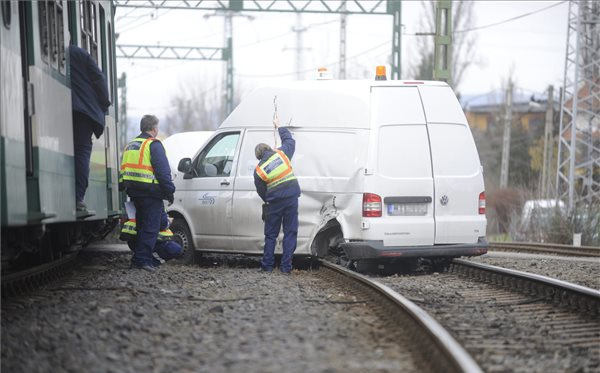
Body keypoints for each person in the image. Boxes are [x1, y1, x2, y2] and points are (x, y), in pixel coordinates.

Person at [119, 115, 175, 272]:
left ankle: (139, 258)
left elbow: (124, 169)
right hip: (151, 193)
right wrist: (170, 192)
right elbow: (163, 173)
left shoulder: (131, 145)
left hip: (133, 192)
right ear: (154, 129)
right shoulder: (154, 145)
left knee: (142, 226)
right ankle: (142, 261)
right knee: (150, 227)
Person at [253, 114, 301, 274]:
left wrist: (270, 199)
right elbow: (290, 141)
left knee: (271, 235)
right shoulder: (281, 153)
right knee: (290, 232)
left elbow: (261, 191)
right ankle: (286, 268)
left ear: (258, 157)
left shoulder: (259, 170)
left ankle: (267, 267)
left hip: (274, 202)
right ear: (269, 148)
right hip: (292, 198)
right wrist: (279, 126)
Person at [69, 44, 111, 211]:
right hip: (82, 111)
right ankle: (78, 197)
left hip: (59, 108)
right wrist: (104, 103)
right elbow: (98, 78)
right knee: (82, 150)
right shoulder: (79, 53)